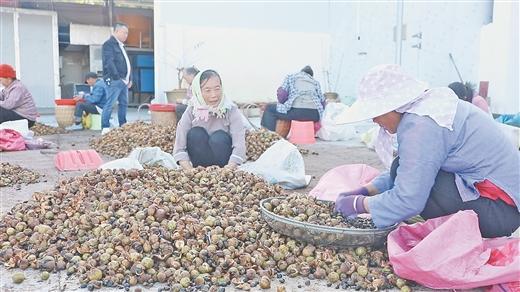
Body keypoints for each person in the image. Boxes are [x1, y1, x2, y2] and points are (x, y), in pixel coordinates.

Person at [334, 64, 519, 238]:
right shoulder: (430, 109)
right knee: (405, 170)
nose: (374, 120)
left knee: (422, 189)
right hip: (499, 204)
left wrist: (358, 205)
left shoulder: (421, 125)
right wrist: (367, 190)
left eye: (375, 112)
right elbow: (409, 167)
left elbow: (409, 198)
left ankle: (456, 237)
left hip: (500, 211)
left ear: (392, 106)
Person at [173, 69, 246, 169]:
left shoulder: (230, 109)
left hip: (224, 165)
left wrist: (228, 169)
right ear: (198, 92)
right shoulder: (192, 109)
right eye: (207, 90)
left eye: (217, 88)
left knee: (219, 137)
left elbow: (239, 145)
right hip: (199, 166)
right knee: (195, 133)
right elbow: (179, 147)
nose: (214, 95)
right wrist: (190, 171)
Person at [260, 66, 326, 134]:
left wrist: (283, 104)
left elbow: (281, 94)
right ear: (311, 75)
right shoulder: (315, 82)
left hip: (298, 112)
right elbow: (323, 102)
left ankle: (269, 135)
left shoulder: (291, 77)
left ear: (301, 72)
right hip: (315, 115)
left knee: (269, 108)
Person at [102, 22, 132, 135]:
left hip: (124, 80)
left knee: (123, 103)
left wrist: (130, 78)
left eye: (127, 33)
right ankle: (105, 126)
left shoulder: (122, 46)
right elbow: (109, 62)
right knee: (110, 103)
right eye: (124, 32)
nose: (126, 35)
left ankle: (123, 124)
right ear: (116, 31)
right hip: (115, 80)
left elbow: (127, 63)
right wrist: (117, 78)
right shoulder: (108, 45)